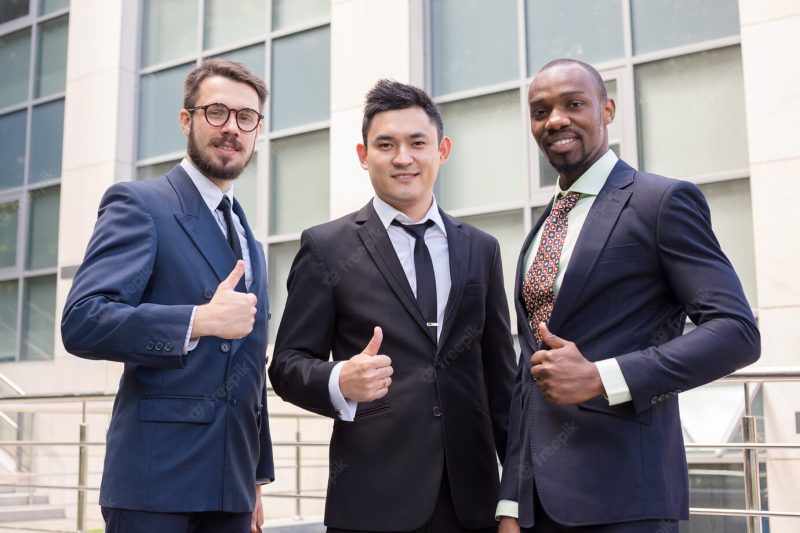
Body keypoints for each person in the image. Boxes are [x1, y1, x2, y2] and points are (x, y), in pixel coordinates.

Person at [496, 59, 761, 533]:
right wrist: (512, 504)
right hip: (538, 510)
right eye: (540, 111)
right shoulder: (542, 227)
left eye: (574, 104)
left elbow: (737, 332)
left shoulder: (660, 202)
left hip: (626, 501)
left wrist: (603, 377)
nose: (555, 119)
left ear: (608, 109)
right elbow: (528, 375)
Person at [268, 79, 516, 533]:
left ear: (442, 150)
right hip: (372, 505)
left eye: (417, 142)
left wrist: (515, 498)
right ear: (364, 156)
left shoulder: (481, 248)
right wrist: (339, 378)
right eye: (386, 144)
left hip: (472, 506)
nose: (403, 157)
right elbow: (286, 365)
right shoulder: (325, 247)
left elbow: (502, 382)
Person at [61, 58, 273, 533]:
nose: (232, 129)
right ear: (187, 119)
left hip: (231, 487)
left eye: (246, 118)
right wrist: (197, 321)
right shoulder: (140, 204)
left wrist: (256, 472)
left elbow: (250, 367)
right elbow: (83, 321)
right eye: (216, 112)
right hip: (154, 485)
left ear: (257, 130)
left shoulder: (250, 241)